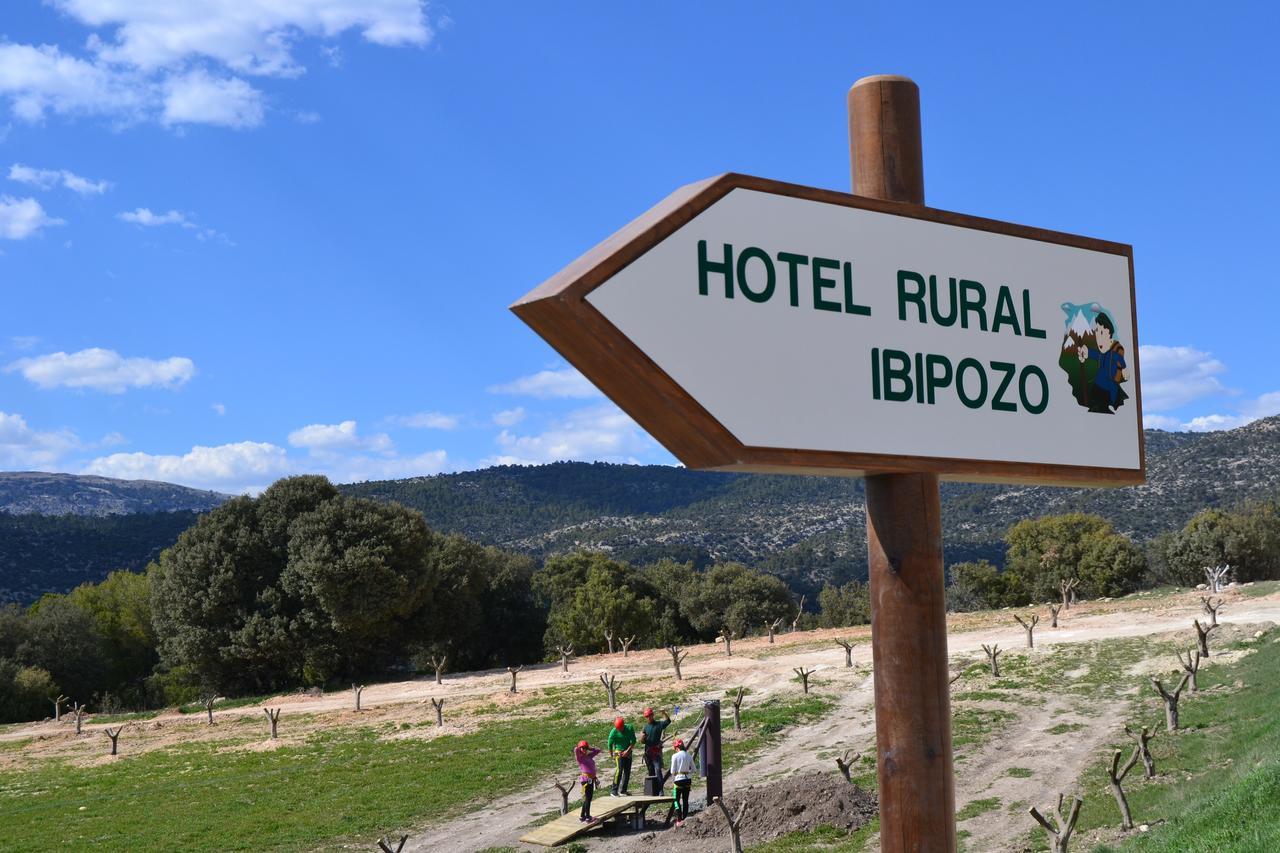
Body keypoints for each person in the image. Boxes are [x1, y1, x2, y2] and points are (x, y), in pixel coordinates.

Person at [1076, 312, 1130, 413]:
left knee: (1102, 406)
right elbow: (1096, 355)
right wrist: (1086, 352)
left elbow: (1119, 359)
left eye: (1101, 333)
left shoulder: (1113, 352)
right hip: (1098, 387)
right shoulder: (1103, 353)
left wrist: (1125, 368)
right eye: (1096, 333)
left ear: (1109, 332)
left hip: (1108, 389)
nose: (1098, 339)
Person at [607, 715, 636, 796]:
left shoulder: (629, 728)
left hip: (628, 751)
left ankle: (623, 790)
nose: (620, 730)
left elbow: (633, 741)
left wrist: (628, 751)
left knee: (627, 772)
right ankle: (614, 790)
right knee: (619, 770)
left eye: (621, 728)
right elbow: (610, 744)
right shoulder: (613, 732)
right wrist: (611, 754)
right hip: (618, 752)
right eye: (618, 729)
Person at [640, 707, 671, 780]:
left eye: (649, 715)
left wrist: (664, 713)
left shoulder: (659, 724)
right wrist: (642, 738)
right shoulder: (645, 727)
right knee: (651, 771)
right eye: (647, 716)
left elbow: (668, 721)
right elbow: (643, 742)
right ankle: (654, 789)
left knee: (658, 769)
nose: (648, 718)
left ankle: (660, 790)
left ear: (652, 715)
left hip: (656, 752)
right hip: (648, 752)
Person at [574, 739, 601, 823]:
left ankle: (582, 816)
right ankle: (588, 817)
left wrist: (590, 748)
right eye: (583, 748)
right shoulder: (580, 758)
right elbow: (575, 749)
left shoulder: (588, 756)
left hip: (590, 779)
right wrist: (580, 747)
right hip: (586, 780)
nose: (584, 750)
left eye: (586, 748)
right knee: (588, 798)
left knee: (587, 798)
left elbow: (598, 750)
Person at [669, 737, 694, 826]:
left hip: (678, 780)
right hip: (687, 779)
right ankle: (685, 817)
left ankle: (679, 819)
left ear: (677, 748)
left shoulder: (675, 756)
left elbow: (672, 771)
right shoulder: (689, 755)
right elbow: (694, 769)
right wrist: (687, 772)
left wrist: (677, 773)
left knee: (676, 800)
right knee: (685, 799)